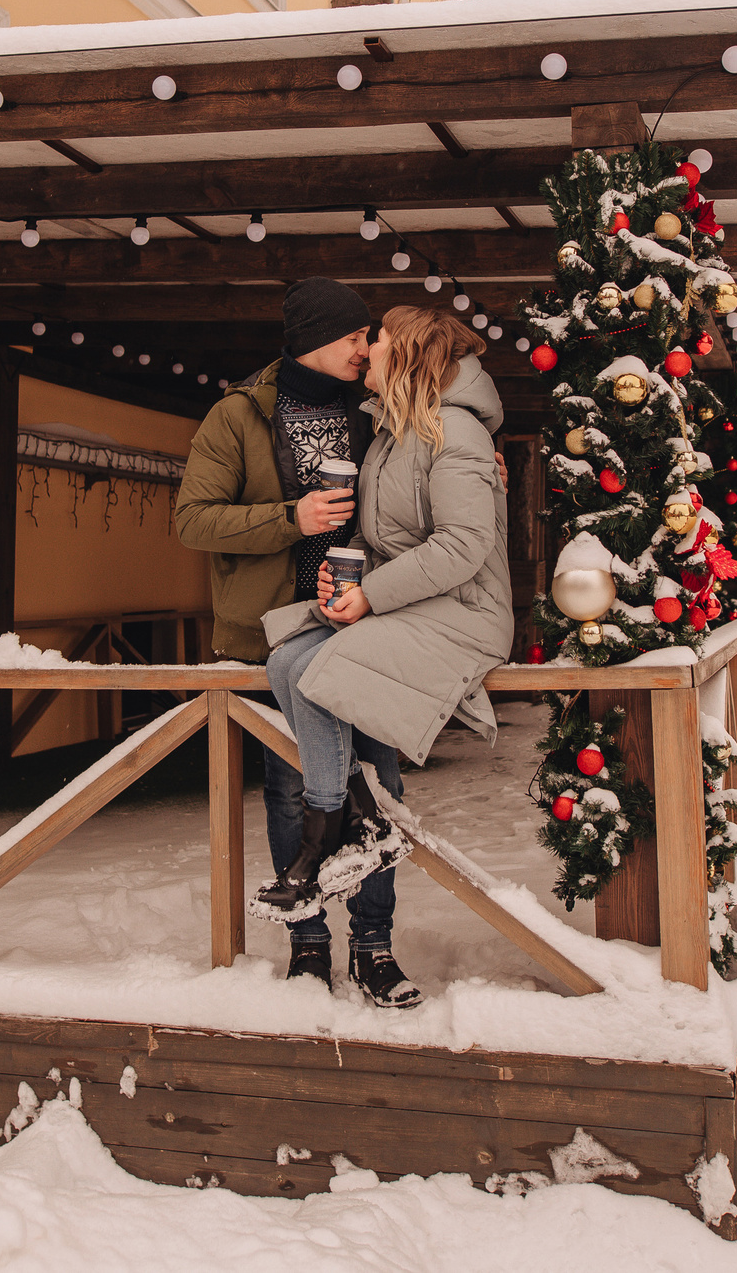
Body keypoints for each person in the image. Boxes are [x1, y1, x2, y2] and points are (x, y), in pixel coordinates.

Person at [251, 306, 511, 1010]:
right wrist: (347, 578)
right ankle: (357, 818)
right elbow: (386, 538)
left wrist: (369, 598)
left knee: (314, 668)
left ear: (414, 350)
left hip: (462, 610)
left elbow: (462, 547)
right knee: (285, 659)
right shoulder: (395, 431)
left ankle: (330, 826)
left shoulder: (452, 430)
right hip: (407, 601)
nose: (369, 347)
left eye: (382, 337)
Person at [172, 278, 400, 992]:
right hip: (275, 637)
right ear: (315, 340)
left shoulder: (381, 409)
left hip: (364, 629)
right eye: (355, 335)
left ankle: (374, 943)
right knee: (291, 789)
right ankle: (307, 940)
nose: (368, 347)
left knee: (381, 787)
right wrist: (288, 519)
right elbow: (193, 520)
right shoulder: (236, 415)